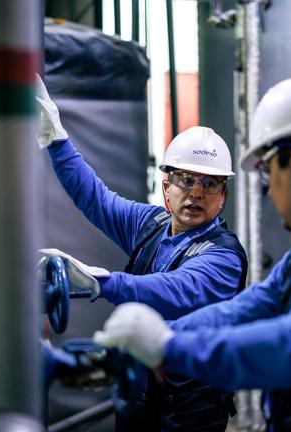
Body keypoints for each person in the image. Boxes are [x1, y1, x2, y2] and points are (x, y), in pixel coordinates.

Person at [94, 76, 291, 431]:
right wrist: (158, 337)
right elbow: (252, 305)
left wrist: (170, 348)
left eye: (267, 174)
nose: (269, 193)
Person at [34, 74, 248, 431]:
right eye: (185, 179)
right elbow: (95, 198)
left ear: (223, 196)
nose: (196, 192)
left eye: (210, 183)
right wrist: (56, 140)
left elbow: (173, 289)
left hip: (189, 415)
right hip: (138, 402)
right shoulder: (150, 225)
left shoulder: (223, 257)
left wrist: (101, 282)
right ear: (167, 188)